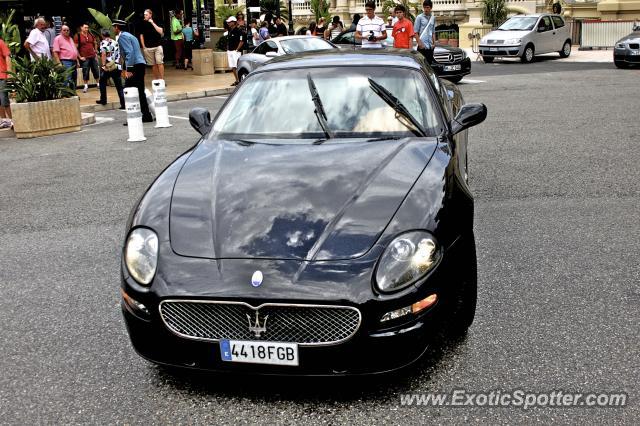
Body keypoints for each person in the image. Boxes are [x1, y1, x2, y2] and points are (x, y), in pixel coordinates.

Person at [112, 19, 153, 123]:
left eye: (113, 27)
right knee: (140, 91)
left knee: (128, 90)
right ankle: (146, 115)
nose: (113, 29)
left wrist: (128, 69)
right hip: (140, 64)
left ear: (117, 27)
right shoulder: (131, 35)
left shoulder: (123, 37)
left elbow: (129, 53)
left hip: (134, 66)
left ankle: (133, 117)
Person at [96, 29, 125, 109]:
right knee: (119, 86)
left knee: (102, 82)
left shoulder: (103, 42)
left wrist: (104, 65)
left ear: (102, 35)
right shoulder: (115, 42)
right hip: (116, 66)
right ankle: (123, 103)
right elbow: (119, 54)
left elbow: (104, 54)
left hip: (108, 67)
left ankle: (103, 100)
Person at [52, 25, 79, 89]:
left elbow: (74, 50)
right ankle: (66, 93)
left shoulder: (70, 38)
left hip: (74, 61)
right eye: (64, 30)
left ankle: (73, 93)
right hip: (65, 61)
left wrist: (77, 61)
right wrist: (58, 63)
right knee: (67, 78)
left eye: (67, 30)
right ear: (61, 31)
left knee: (74, 78)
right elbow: (55, 52)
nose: (66, 31)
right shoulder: (58, 38)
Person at [74, 23, 100, 93]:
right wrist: (79, 57)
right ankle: (86, 86)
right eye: (85, 27)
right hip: (85, 57)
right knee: (85, 71)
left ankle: (98, 84)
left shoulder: (91, 34)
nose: (87, 29)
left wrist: (96, 52)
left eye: (87, 28)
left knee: (96, 70)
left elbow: (95, 43)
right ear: (81, 28)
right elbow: (75, 48)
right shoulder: (78, 36)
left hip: (93, 56)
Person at [140, 9, 164, 80]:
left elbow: (161, 31)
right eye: (144, 14)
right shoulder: (142, 23)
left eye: (146, 14)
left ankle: (162, 79)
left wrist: (152, 23)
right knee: (153, 64)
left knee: (160, 63)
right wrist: (143, 46)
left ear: (150, 15)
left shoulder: (156, 21)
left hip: (158, 46)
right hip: (148, 47)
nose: (145, 16)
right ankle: (156, 79)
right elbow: (141, 35)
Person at [225, 16, 244, 86]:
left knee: (237, 66)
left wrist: (237, 50)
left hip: (235, 51)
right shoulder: (230, 30)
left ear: (233, 22)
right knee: (233, 66)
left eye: (230, 22)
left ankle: (240, 80)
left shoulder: (239, 30)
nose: (228, 23)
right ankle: (237, 80)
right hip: (230, 51)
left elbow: (241, 41)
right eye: (228, 22)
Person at [0, 36, 12, 129]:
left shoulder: (1, 42)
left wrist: (9, 72)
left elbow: (7, 56)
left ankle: (12, 121)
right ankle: (4, 120)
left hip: (2, 75)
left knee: (4, 99)